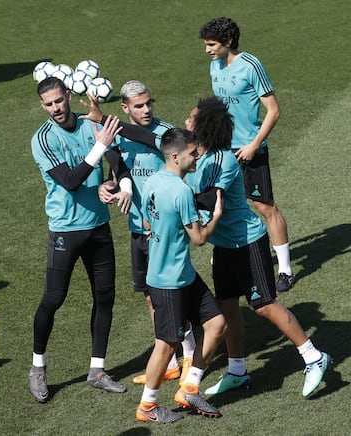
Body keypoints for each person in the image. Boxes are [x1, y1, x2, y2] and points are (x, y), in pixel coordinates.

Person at [184, 96, 332, 397]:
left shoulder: (222, 161)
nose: (187, 121)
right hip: (225, 247)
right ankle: (237, 371)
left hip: (247, 243)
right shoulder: (199, 158)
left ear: (204, 127)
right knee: (226, 309)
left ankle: (314, 357)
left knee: (263, 304)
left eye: (192, 119)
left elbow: (209, 202)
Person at [29, 77, 134, 403]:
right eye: (49, 104)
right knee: (54, 298)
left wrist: (114, 184)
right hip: (65, 231)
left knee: (105, 296)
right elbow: (71, 181)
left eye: (59, 101)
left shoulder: (91, 125)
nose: (56, 108)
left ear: (68, 96)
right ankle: (37, 367)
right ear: (43, 106)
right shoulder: (43, 139)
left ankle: (97, 370)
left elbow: (118, 163)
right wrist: (100, 146)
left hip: (98, 227)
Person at [97, 81, 196, 385]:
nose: (147, 109)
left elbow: (143, 137)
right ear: (125, 108)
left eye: (149, 103)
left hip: (164, 231)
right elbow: (116, 169)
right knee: (151, 297)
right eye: (138, 106)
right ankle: (167, 361)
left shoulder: (165, 134)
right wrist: (108, 185)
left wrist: (102, 119)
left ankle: (190, 354)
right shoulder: (117, 137)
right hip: (138, 228)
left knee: (174, 296)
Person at [136, 128, 226, 424]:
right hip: (169, 282)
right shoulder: (181, 191)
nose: (197, 156)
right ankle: (147, 406)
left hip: (182, 275)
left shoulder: (151, 181)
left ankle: (189, 387)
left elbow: (147, 220)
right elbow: (199, 238)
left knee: (216, 323)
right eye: (192, 153)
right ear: (175, 156)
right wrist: (214, 218)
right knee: (166, 344)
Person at [199, 17, 294, 293]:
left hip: (250, 149)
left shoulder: (251, 66)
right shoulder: (214, 66)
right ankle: (231, 255)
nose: (208, 50)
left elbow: (273, 110)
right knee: (223, 203)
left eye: (212, 44)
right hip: (223, 151)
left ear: (228, 41)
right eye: (206, 44)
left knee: (265, 207)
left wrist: (253, 145)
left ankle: (286, 269)